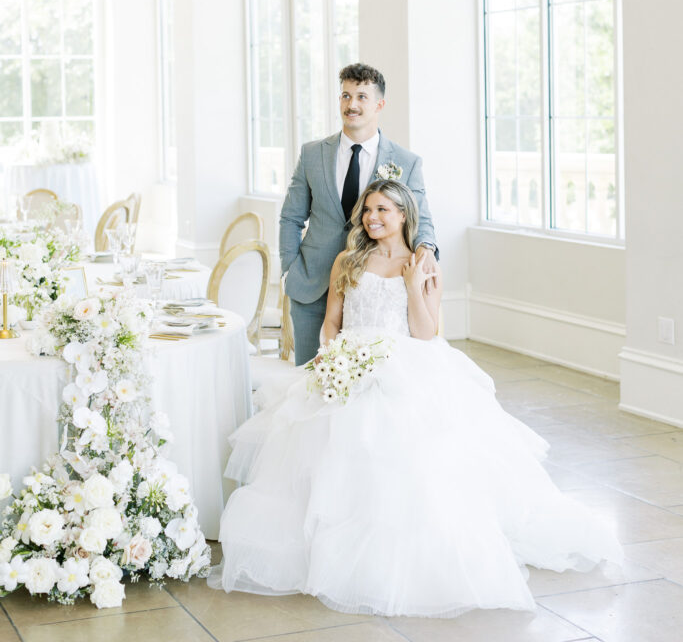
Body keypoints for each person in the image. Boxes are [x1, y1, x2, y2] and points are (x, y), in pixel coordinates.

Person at [210, 180, 622, 618]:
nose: (372, 217)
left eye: (384, 209)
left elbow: (426, 334)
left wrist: (412, 287)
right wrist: (333, 357)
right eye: (368, 209)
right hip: (347, 363)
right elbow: (332, 321)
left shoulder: (423, 263)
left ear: (405, 214)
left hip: (405, 363)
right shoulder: (348, 260)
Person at [280, 62, 438, 365]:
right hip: (312, 286)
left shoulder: (406, 161)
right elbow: (290, 218)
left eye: (362, 97)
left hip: (369, 286)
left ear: (379, 104)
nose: (352, 104)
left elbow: (422, 217)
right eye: (345, 96)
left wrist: (426, 248)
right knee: (309, 382)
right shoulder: (312, 154)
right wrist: (290, 269)